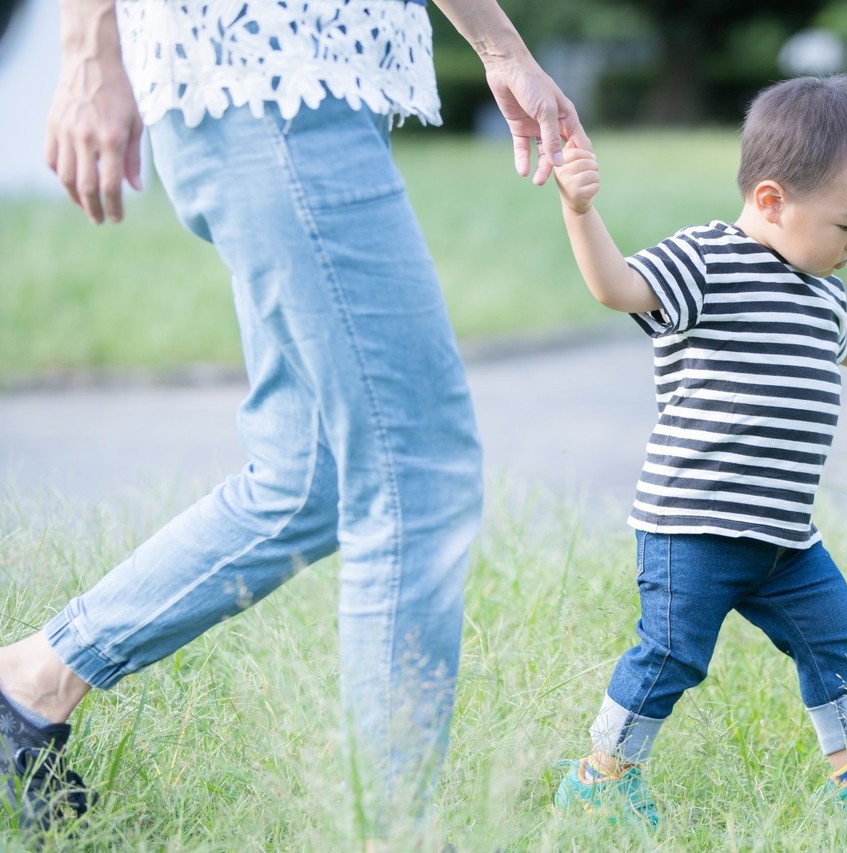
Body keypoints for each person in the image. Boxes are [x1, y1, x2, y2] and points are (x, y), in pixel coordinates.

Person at [0, 0, 579, 844]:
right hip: (265, 78)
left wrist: (499, 44)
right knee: (414, 471)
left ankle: (31, 680)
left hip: (309, 87)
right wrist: (88, 52)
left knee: (313, 475)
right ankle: (393, 833)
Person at [548, 73, 847, 833]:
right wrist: (581, 209)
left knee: (833, 630)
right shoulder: (707, 260)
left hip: (783, 534)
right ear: (772, 201)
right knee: (671, 652)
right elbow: (618, 288)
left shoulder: (822, 290)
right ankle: (601, 777)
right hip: (694, 523)